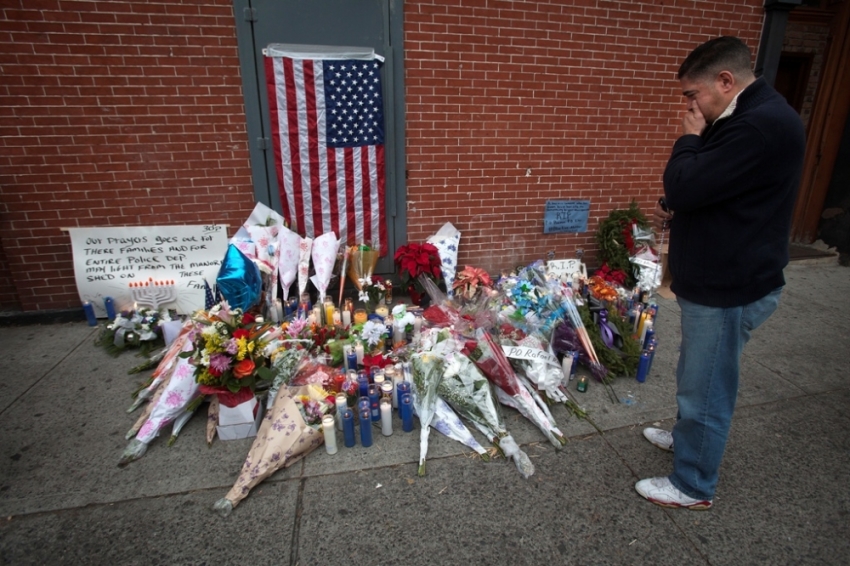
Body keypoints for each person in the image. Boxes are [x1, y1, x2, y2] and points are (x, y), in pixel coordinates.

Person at [635, 36, 806, 509]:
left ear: (725, 81)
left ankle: (693, 484)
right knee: (698, 373)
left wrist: (688, 138)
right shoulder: (749, 117)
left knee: (706, 387)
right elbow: (714, 187)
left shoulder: (757, 126)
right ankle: (691, 441)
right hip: (723, 278)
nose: (689, 106)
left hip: (729, 287)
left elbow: (688, 182)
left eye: (693, 95)